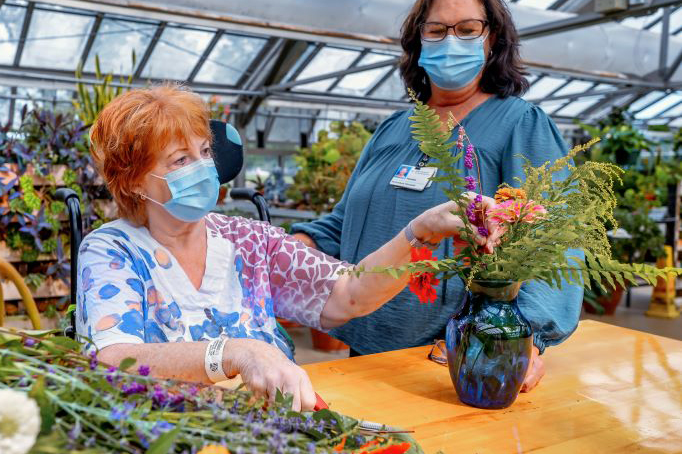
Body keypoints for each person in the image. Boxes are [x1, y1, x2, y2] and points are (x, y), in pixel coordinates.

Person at [77, 85, 499, 411]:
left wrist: (418, 233)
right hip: (171, 440)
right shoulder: (113, 250)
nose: (204, 168)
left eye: (204, 152)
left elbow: (347, 293)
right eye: (180, 160)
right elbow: (113, 357)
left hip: (271, 434)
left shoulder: (248, 240)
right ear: (132, 180)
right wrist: (234, 351)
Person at [291, 0, 583, 392]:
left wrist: (527, 338)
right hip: (364, 349)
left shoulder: (518, 125)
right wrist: (287, 250)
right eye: (437, 30)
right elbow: (346, 225)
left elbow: (557, 240)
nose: (451, 41)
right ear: (418, 41)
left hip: (455, 362)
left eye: (467, 29)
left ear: (493, 38)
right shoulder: (393, 130)